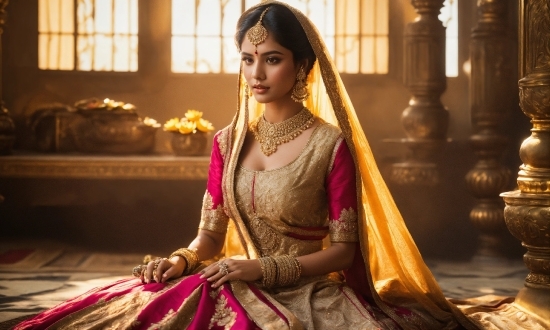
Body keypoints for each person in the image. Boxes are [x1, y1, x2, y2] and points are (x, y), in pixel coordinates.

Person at [14, 2, 489, 329]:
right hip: (228, 277)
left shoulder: (330, 146)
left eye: (272, 59)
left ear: (302, 66)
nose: (256, 74)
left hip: (304, 289)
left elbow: (344, 254)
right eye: (247, 60)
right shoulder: (228, 140)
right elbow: (209, 237)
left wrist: (262, 270)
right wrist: (179, 260)